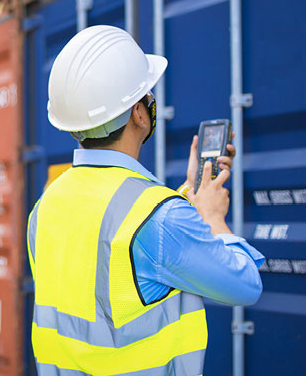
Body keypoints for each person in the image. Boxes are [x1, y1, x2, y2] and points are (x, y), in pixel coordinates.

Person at [27, 25, 264, 375]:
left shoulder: (47, 205)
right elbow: (244, 286)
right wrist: (212, 217)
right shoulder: (161, 219)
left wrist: (187, 195)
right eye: (147, 96)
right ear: (139, 113)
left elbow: (118, 253)